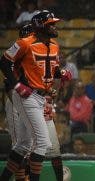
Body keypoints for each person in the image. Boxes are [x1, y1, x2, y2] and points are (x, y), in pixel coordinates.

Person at [0, 10, 71, 181]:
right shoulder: (25, 43)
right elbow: (3, 61)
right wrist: (17, 85)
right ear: (39, 26)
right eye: (50, 24)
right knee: (43, 143)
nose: (54, 26)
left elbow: (50, 70)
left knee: (23, 145)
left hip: (41, 97)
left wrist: (60, 73)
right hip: (27, 95)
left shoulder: (54, 45)